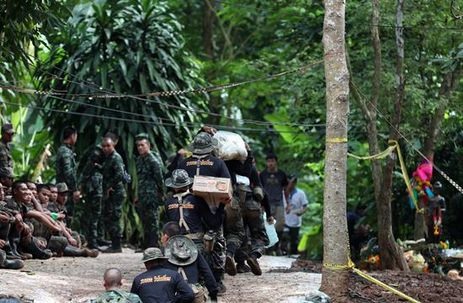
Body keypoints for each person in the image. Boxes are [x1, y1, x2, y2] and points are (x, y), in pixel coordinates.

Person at [176, 132, 230, 293]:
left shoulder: (184, 163)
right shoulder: (218, 163)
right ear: (210, 146)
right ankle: (217, 281)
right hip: (213, 210)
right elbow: (227, 186)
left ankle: (195, 280)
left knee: (194, 244)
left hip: (189, 210)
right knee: (216, 244)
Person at [161, 222, 218, 302]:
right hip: (194, 295)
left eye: (161, 236)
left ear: (166, 237)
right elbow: (207, 273)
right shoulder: (193, 251)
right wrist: (213, 295)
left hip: (172, 297)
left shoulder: (161, 253)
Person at [134, 133, 164, 249]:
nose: (140, 148)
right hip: (142, 195)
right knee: (145, 220)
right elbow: (140, 179)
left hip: (152, 195)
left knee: (153, 220)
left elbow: (159, 178)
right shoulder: (139, 160)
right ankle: (146, 245)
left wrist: (161, 193)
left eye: (142, 145)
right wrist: (137, 194)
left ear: (148, 146)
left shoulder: (153, 160)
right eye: (138, 146)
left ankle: (153, 245)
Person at [101, 136, 126, 253]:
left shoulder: (116, 158)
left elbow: (120, 174)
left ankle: (117, 246)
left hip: (116, 192)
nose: (105, 148)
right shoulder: (108, 158)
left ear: (113, 145)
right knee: (110, 217)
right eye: (104, 146)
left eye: (108, 146)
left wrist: (110, 185)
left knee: (115, 217)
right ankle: (114, 243)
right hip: (110, 193)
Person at [259, 153, 288, 254]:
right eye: (269, 161)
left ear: (276, 162)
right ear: (266, 163)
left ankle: (277, 246)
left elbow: (286, 189)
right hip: (267, 203)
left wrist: (287, 203)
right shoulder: (262, 175)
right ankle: (269, 247)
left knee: (280, 224)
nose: (270, 163)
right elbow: (260, 189)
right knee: (267, 225)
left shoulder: (282, 174)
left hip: (279, 202)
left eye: (272, 161)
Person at [79, 146, 104, 249]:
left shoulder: (98, 167)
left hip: (96, 195)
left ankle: (94, 240)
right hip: (93, 196)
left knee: (94, 219)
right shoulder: (90, 168)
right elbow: (83, 180)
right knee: (92, 219)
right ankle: (92, 242)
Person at [55, 126, 80, 221]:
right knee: (67, 214)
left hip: (64, 187)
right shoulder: (65, 151)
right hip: (66, 189)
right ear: (72, 136)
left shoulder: (63, 149)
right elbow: (68, 172)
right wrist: (74, 189)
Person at [283, 175, 308, 255]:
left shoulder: (300, 193)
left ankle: (293, 255)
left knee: (294, 241)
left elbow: (305, 207)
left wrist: (301, 212)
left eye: (292, 182)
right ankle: (283, 253)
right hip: (284, 220)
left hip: (295, 222)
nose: (290, 184)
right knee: (284, 237)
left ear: (295, 183)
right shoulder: (282, 193)